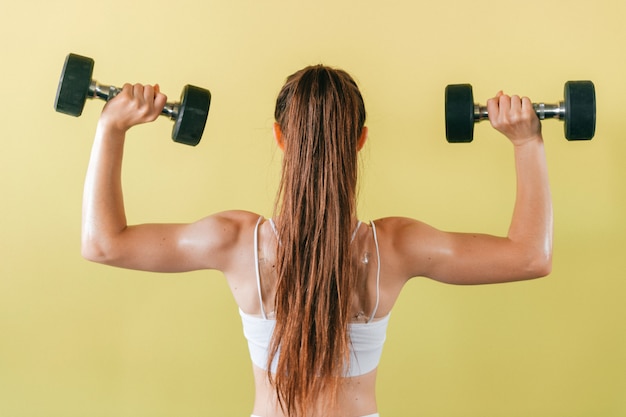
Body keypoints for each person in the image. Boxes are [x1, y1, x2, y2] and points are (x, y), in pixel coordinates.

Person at [81, 65, 553, 417]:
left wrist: (112, 126)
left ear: (280, 138)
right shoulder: (396, 246)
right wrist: (526, 143)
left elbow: (103, 243)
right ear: (360, 140)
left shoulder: (234, 241)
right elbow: (530, 256)